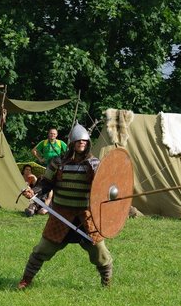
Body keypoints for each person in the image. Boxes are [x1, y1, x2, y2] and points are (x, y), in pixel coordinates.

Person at [17, 123, 113, 289]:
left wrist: (112, 193)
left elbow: (103, 187)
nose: (81, 143)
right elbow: (46, 184)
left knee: (100, 253)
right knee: (42, 249)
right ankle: (26, 280)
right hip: (61, 215)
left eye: (84, 141)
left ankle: (106, 282)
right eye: (78, 141)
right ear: (71, 143)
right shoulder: (58, 163)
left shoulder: (94, 164)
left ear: (88, 143)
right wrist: (34, 192)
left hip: (85, 216)